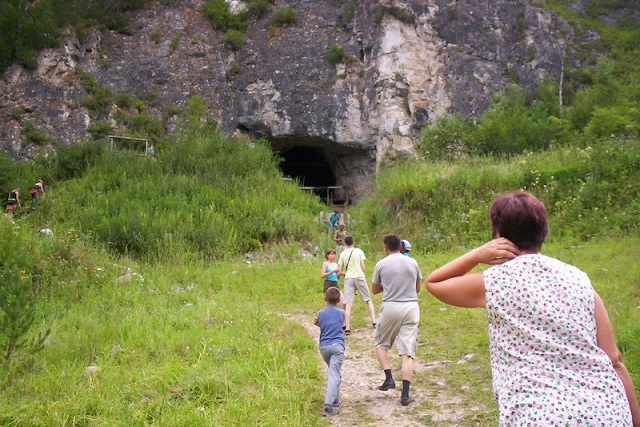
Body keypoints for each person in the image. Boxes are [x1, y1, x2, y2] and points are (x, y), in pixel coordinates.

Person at [425, 191, 640, 426]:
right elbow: (614, 360)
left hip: (539, 415)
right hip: (608, 411)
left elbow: (434, 282)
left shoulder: (495, 282)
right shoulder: (580, 281)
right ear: (543, 232)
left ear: (498, 235)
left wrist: (478, 254)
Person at [371, 233, 422, 406]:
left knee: (381, 343)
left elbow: (375, 290)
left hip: (391, 306)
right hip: (411, 307)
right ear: (400, 246)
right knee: (407, 353)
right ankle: (405, 395)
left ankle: (389, 378)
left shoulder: (381, 264)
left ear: (386, 247)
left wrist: (389, 283)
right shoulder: (413, 262)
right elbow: (417, 288)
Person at [313, 286, 346, 417]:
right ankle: (328, 405)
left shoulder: (320, 313)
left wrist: (317, 323)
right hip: (337, 346)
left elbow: (325, 325)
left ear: (324, 298)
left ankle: (335, 399)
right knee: (334, 374)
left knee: (334, 372)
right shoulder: (342, 313)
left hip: (324, 348)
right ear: (338, 300)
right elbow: (339, 325)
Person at [338, 235, 377, 335]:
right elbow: (363, 267)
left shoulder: (342, 254)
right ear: (353, 242)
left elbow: (339, 271)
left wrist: (347, 274)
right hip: (359, 276)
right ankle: (374, 321)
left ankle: (347, 328)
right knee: (368, 299)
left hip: (349, 278)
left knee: (348, 303)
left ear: (345, 243)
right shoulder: (359, 251)